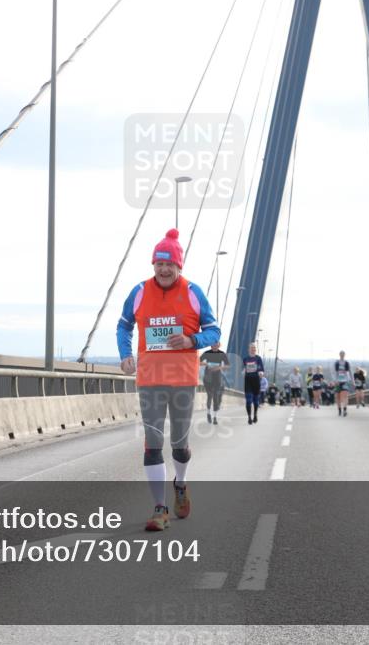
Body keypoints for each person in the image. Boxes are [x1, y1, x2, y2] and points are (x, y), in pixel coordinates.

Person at [118, 228, 220, 532]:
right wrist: (125, 354)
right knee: (152, 443)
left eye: (170, 265)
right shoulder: (138, 291)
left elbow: (215, 332)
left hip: (182, 381)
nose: (164, 269)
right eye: (159, 264)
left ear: (179, 267)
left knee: (178, 444)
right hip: (149, 379)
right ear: (153, 265)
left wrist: (191, 340)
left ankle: (181, 483)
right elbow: (123, 327)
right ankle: (159, 508)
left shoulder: (193, 292)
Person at [200, 342, 229, 425]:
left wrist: (219, 367)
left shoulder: (222, 354)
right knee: (209, 396)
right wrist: (205, 363)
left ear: (219, 345)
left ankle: (215, 417)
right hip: (208, 377)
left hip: (217, 378)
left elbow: (227, 365)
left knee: (215, 396)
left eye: (216, 345)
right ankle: (208, 413)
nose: (215, 346)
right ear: (211, 345)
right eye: (213, 345)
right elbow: (197, 362)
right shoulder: (207, 353)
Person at [242, 343, 265, 425]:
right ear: (249, 349)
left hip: (256, 380)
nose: (253, 349)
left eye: (254, 348)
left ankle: (255, 414)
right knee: (248, 400)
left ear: (256, 350)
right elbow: (243, 368)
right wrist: (243, 371)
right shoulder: (245, 359)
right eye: (251, 348)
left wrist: (261, 373)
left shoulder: (258, 358)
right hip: (248, 380)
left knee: (255, 401)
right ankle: (249, 417)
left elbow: (261, 369)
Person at [332, 351, 352, 417]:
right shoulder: (336, 363)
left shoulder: (347, 363)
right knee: (338, 397)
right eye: (341, 354)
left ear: (344, 355)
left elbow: (350, 372)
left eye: (343, 354)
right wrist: (335, 380)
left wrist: (353, 381)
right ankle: (339, 409)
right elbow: (334, 372)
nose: (342, 355)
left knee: (345, 396)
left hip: (345, 381)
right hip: (338, 381)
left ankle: (345, 409)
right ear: (339, 355)